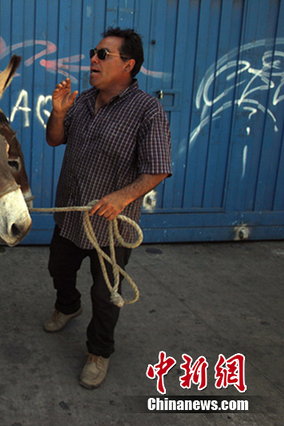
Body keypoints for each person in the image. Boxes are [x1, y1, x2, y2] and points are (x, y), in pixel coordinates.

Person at [44, 27, 172, 389]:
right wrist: (57, 113)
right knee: (58, 268)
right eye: (93, 53)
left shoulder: (148, 110)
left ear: (129, 65)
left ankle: (99, 352)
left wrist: (121, 197)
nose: (93, 60)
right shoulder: (83, 101)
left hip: (111, 228)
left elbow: (158, 167)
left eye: (103, 55)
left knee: (105, 295)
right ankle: (68, 305)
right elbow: (55, 140)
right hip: (70, 216)